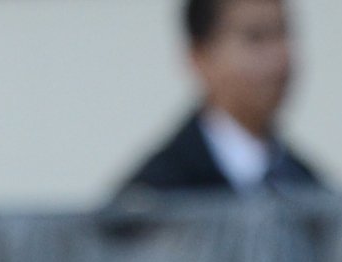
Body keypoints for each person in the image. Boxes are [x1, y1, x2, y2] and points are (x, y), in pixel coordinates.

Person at [118, 1, 325, 197]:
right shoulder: (156, 197)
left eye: (283, 33)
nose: (280, 57)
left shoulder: (309, 188)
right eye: (255, 37)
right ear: (200, 57)